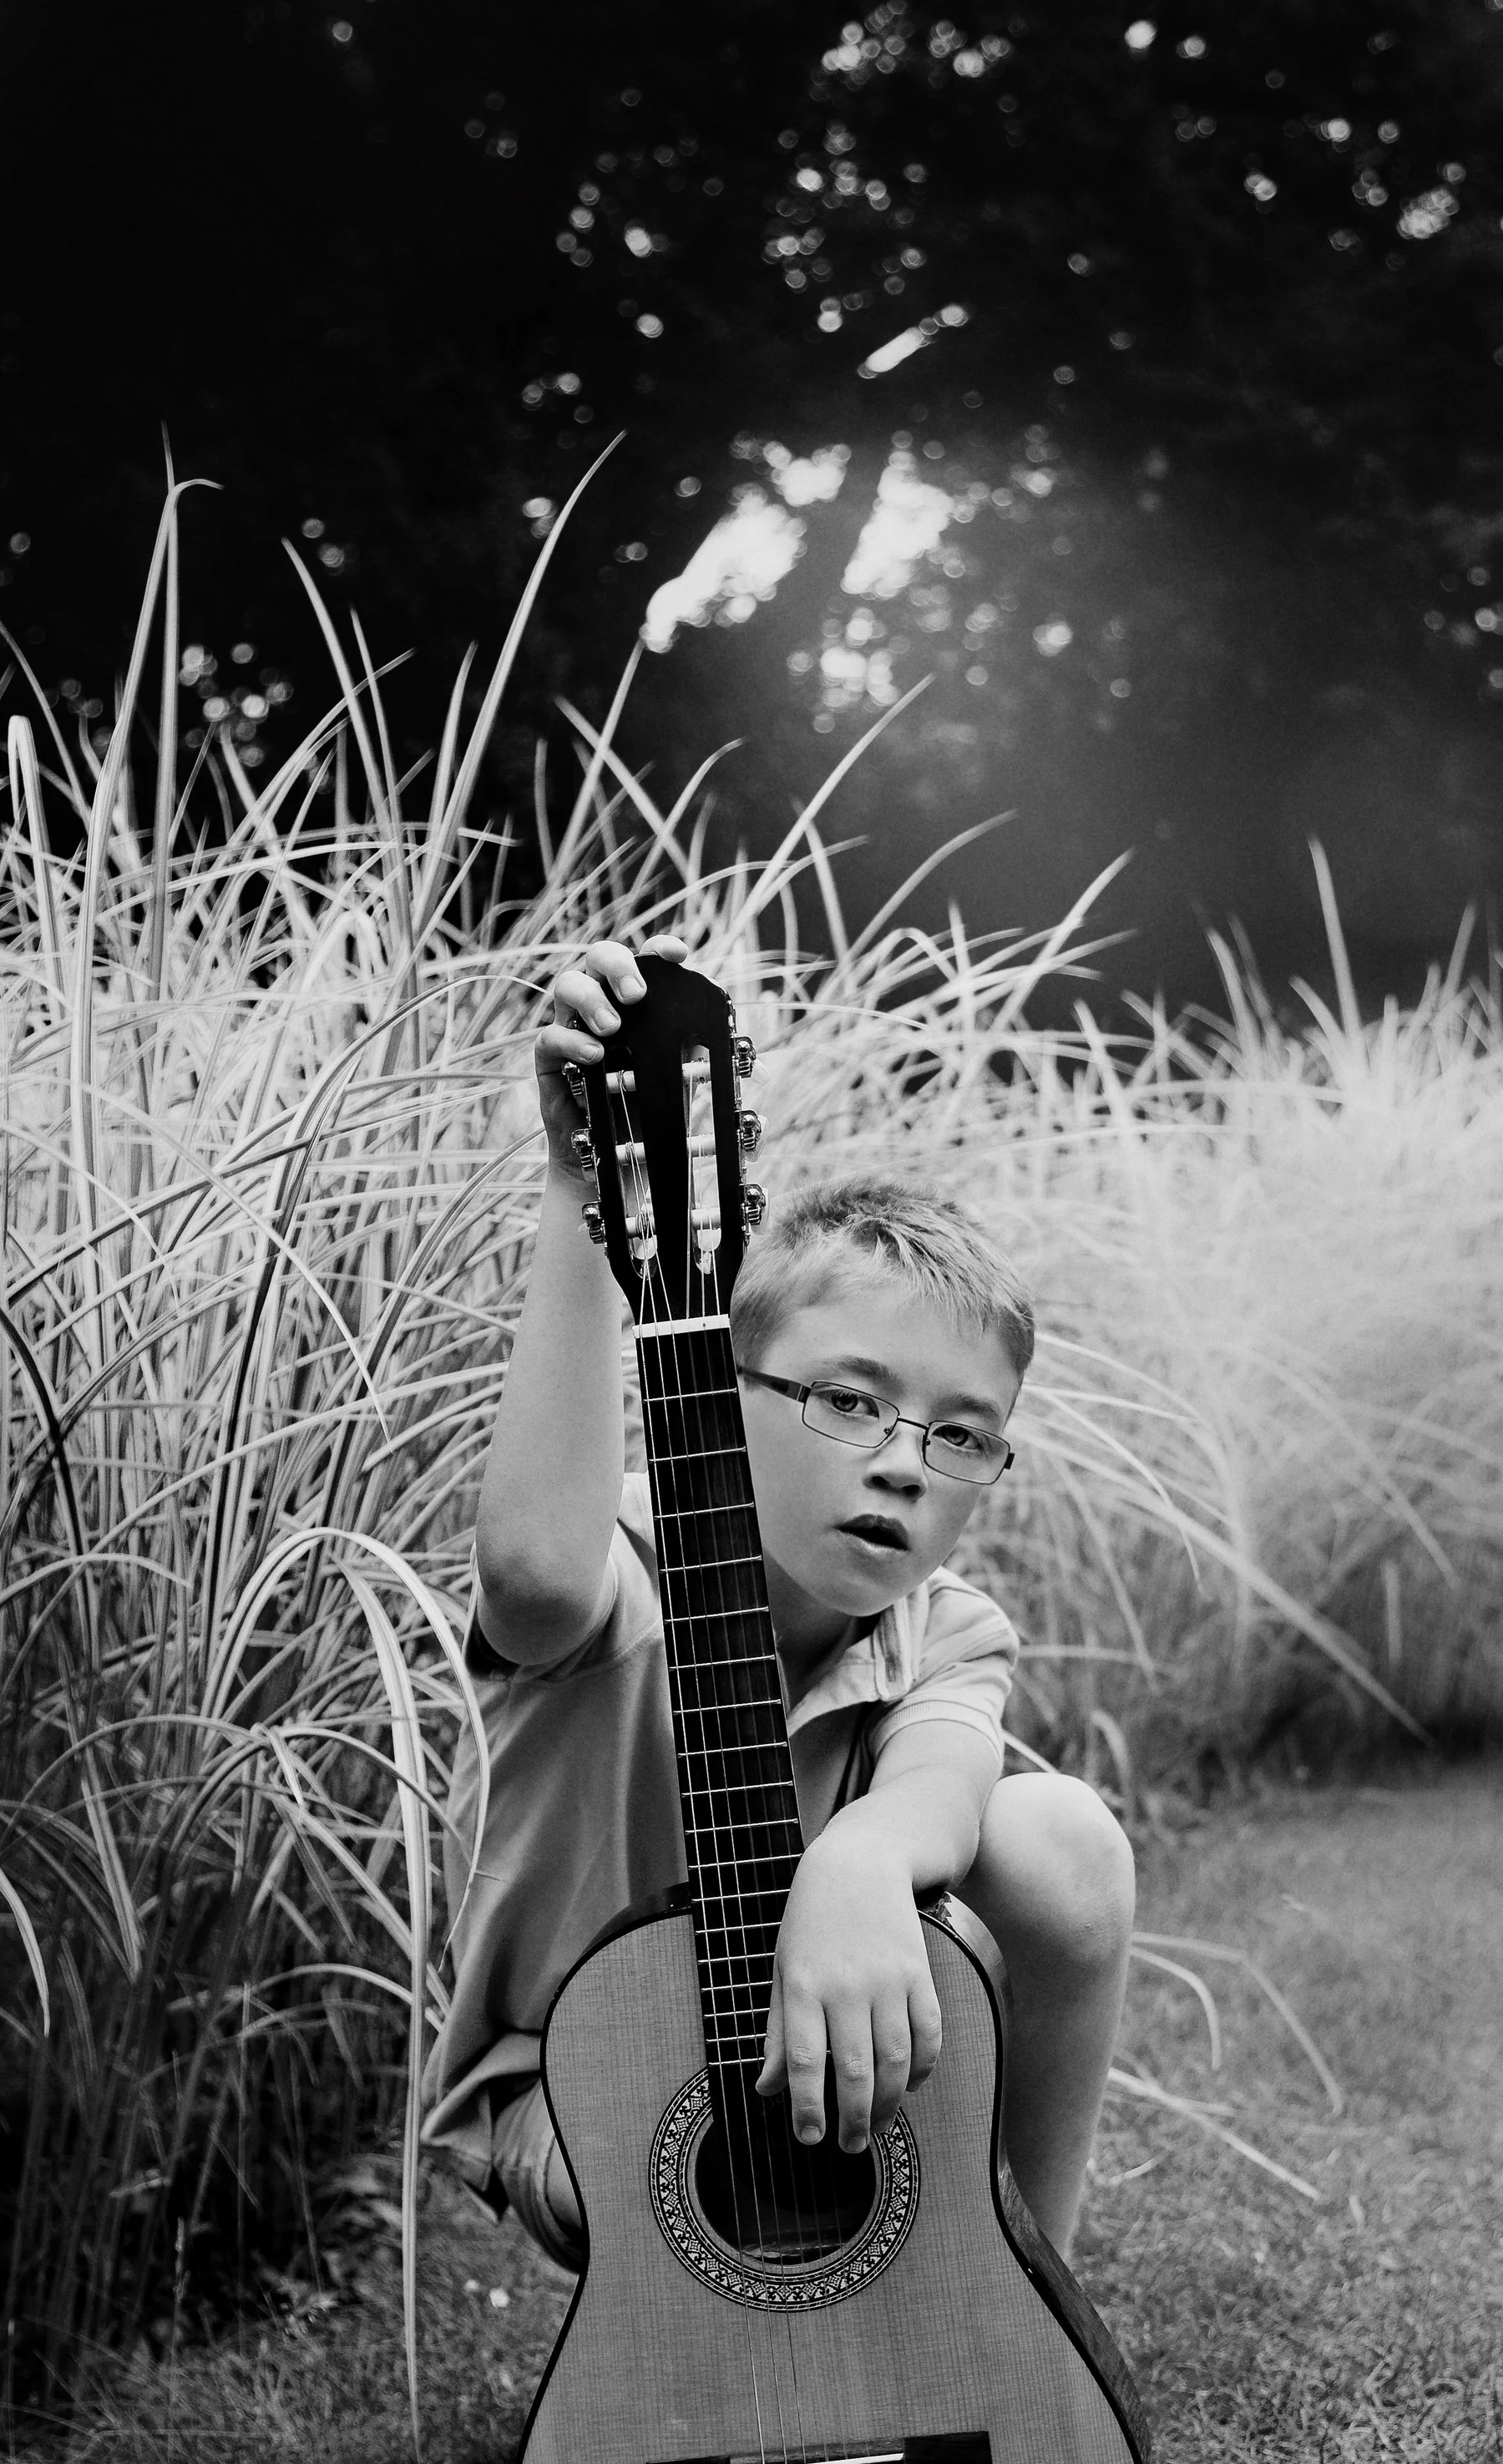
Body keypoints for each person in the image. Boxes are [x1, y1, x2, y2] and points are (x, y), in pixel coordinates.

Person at [418, 935, 1135, 2276]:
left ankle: (1021, 2294)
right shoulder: (616, 1578)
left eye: (962, 1432)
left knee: (1063, 1838)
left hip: (834, 2029)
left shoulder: (950, 1632)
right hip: (591, 2084)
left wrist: (860, 1861)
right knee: (622, 2132)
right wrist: (580, 1187)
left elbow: (948, 1785)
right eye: (849, 1398)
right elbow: (531, 1575)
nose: (905, 1458)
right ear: (719, 1394)